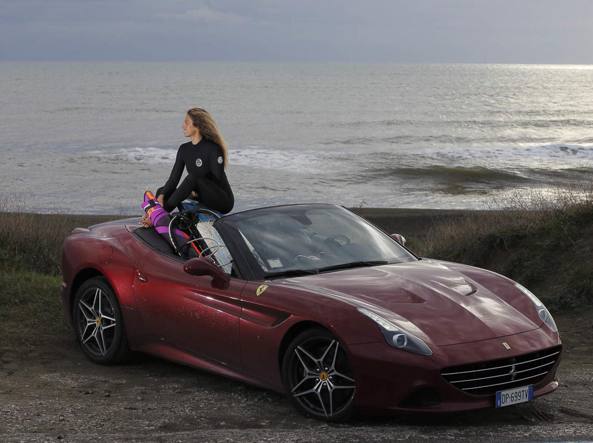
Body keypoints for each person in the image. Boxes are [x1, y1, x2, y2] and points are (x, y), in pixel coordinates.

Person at [142, 107, 234, 227]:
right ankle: (154, 214)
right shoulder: (184, 149)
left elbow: (217, 180)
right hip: (198, 194)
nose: (183, 126)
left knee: (194, 177)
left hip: (222, 200)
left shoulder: (213, 149)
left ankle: (160, 215)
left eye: (186, 122)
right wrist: (161, 196)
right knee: (163, 190)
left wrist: (194, 190)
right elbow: (173, 179)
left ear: (197, 125)